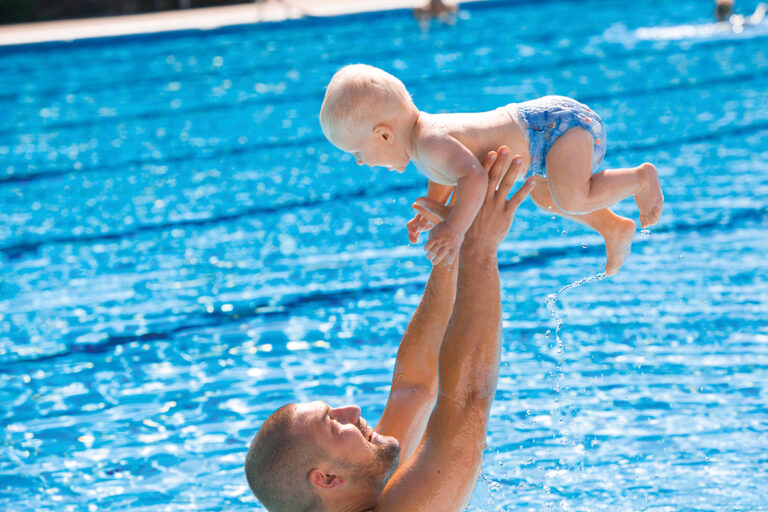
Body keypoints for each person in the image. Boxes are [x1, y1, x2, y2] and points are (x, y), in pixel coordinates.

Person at [245, 148, 535, 511]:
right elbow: (469, 400)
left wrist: (454, 240)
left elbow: (414, 387)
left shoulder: (361, 484)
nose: (351, 409)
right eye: (334, 425)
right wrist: (480, 247)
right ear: (327, 479)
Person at [319, 64, 664, 275]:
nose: (360, 162)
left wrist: (454, 228)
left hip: (558, 128)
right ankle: (613, 227)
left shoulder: (430, 141)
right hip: (543, 138)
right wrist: (431, 208)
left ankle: (640, 179)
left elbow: (473, 176)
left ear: (383, 134)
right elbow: (446, 174)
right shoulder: (424, 144)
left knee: (573, 197)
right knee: (544, 197)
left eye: (358, 153)